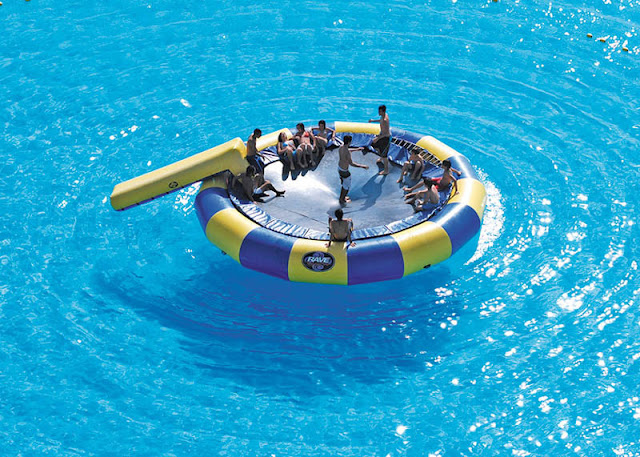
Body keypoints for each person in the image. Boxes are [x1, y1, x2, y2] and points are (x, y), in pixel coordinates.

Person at [338, 135, 369, 205]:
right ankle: (342, 199)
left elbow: (347, 150)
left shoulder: (341, 147)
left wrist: (357, 149)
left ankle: (342, 197)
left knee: (344, 184)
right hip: (344, 171)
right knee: (347, 187)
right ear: (349, 142)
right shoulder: (347, 153)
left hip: (339, 168)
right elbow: (351, 163)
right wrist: (362, 166)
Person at [368, 105, 391, 175]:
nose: (378, 112)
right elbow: (380, 120)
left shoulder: (385, 120)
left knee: (385, 156)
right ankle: (381, 157)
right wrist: (373, 120)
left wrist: (377, 138)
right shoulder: (384, 116)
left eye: (380, 111)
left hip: (385, 138)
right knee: (374, 145)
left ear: (383, 111)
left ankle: (386, 170)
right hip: (382, 136)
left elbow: (387, 134)